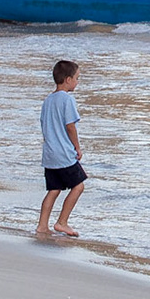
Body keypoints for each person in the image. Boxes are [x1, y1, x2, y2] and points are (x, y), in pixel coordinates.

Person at [38, 59, 88, 238]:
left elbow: (44, 125)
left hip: (50, 154)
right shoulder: (67, 100)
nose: (77, 82)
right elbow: (70, 126)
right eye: (76, 78)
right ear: (68, 80)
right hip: (63, 153)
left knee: (54, 190)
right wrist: (77, 147)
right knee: (78, 186)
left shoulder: (48, 100)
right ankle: (62, 222)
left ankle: (42, 225)